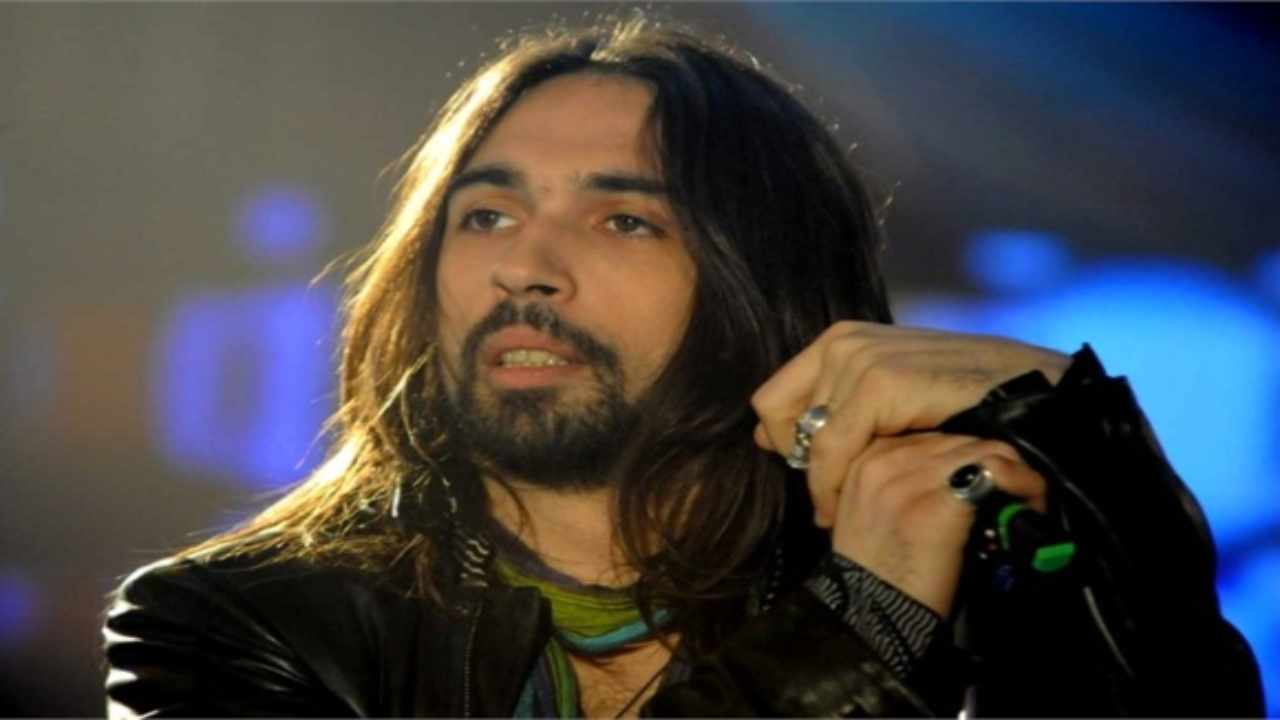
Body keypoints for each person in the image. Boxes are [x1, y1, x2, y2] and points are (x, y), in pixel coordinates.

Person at [103, 18, 1262, 718]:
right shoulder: (233, 622)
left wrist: (1088, 459)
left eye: (623, 223)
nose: (526, 270)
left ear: (762, 284)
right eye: (487, 215)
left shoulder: (969, 570)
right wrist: (859, 631)